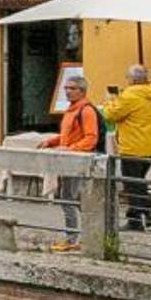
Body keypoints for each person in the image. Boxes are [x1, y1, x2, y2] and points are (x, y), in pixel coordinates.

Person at [37, 72, 106, 247]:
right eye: (66, 88)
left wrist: (69, 149)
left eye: (72, 88)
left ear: (82, 91)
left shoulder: (86, 110)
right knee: (70, 197)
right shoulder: (71, 110)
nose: (68, 91)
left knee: (68, 197)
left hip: (77, 160)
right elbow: (68, 135)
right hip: (69, 158)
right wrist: (51, 142)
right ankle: (86, 233)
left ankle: (74, 237)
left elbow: (91, 138)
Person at [101, 63, 151, 232]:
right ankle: (140, 217)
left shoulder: (129, 96)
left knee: (132, 184)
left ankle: (143, 216)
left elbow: (110, 115)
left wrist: (110, 100)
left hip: (133, 147)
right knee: (138, 182)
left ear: (132, 79)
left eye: (127, 78)